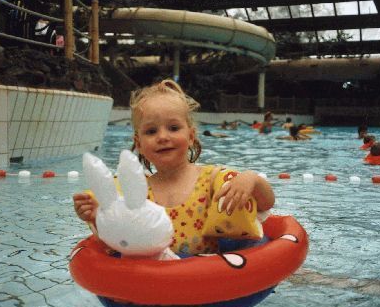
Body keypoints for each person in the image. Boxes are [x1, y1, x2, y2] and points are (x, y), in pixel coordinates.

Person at [73, 79, 275, 257]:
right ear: (139, 143)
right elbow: (118, 238)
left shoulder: (211, 180)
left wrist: (252, 179)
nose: (162, 137)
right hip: (154, 279)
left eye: (173, 128)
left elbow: (265, 205)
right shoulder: (134, 194)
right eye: (151, 131)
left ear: (191, 136)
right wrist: (96, 216)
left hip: (209, 276)